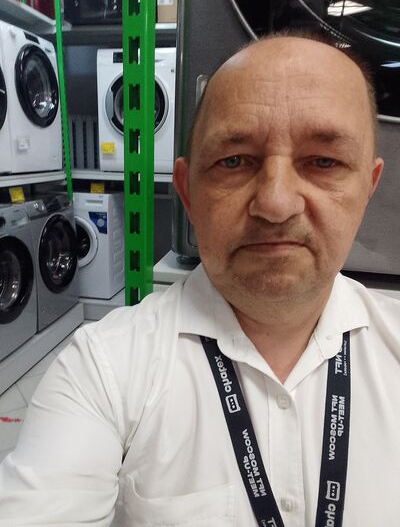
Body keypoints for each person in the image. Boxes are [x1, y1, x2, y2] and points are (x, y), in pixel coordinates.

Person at [1, 30, 399, 527]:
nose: (276, 203)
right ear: (187, 192)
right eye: (234, 161)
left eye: (323, 161)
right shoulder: (102, 370)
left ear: (367, 186)